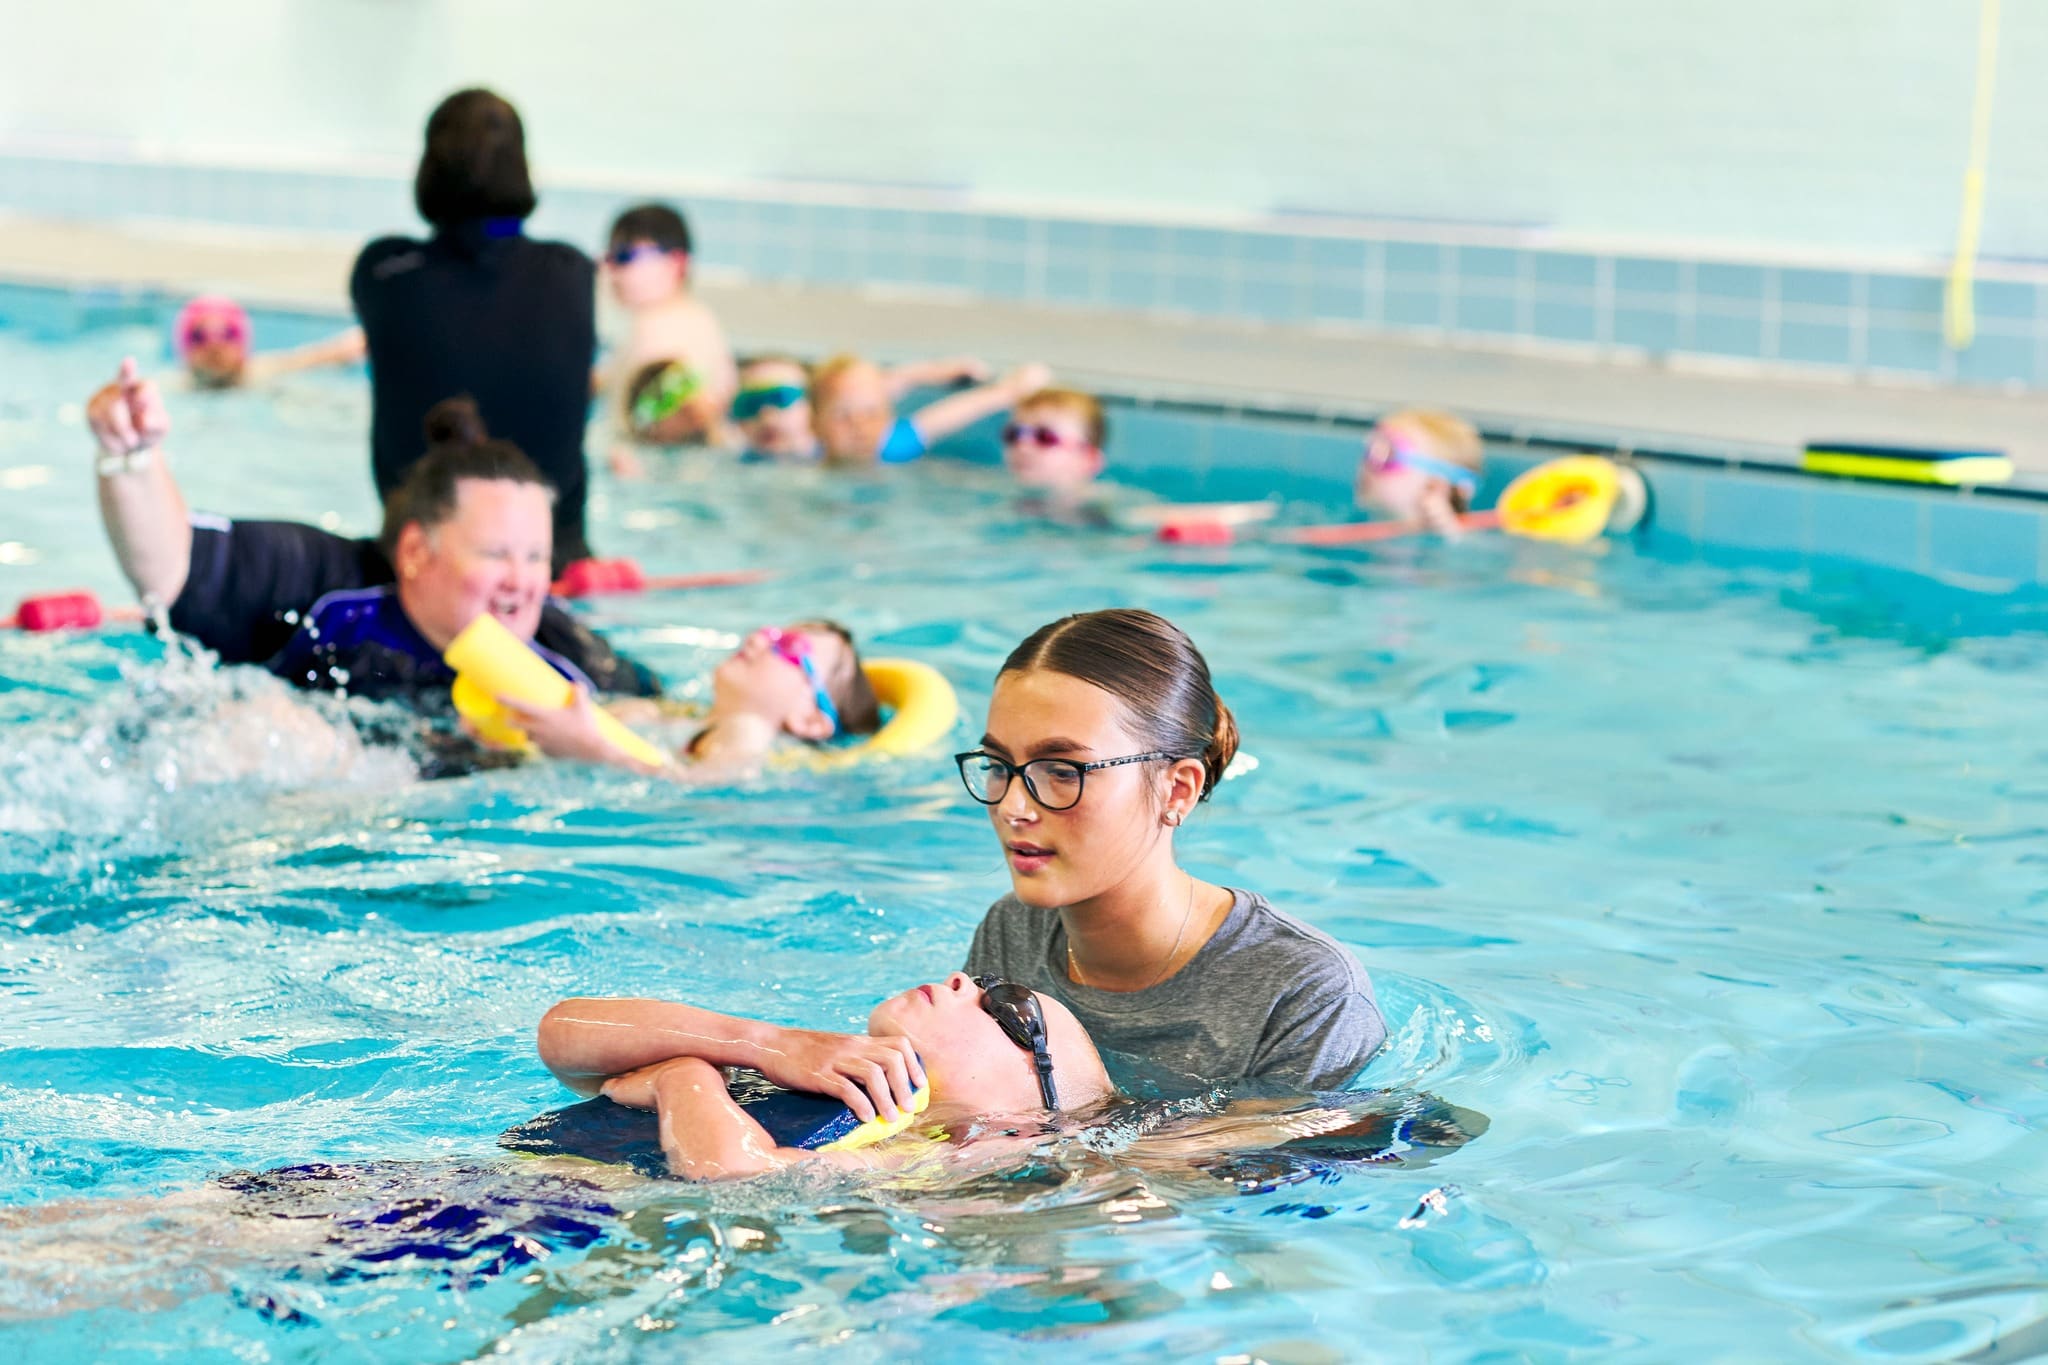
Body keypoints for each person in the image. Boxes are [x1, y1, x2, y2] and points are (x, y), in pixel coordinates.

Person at [958, 608, 1386, 1093]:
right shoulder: (1013, 935)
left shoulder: (1302, 995)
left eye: (1061, 771)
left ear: (1177, 791)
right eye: (997, 764)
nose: (1014, 807)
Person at [86, 360, 658, 700]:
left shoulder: (564, 659)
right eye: (496, 553)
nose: (522, 581)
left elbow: (675, 737)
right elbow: (169, 571)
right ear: (414, 550)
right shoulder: (323, 585)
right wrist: (130, 457)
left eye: (535, 556)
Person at [535, 972, 1115, 1180]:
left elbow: (731, 1175)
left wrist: (682, 1078)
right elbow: (562, 1036)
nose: (966, 980)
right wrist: (762, 1042)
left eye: (1010, 1007)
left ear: (1023, 1121)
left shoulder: (922, 1160)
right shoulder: (800, 1069)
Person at [352, 88, 599, 568]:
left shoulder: (383, 270)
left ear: (429, 170)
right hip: (552, 565)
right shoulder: (572, 272)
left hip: (424, 563)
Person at [506, 620, 883, 778]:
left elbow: (703, 790)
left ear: (809, 719)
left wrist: (594, 750)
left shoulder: (748, 733)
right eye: (771, 632)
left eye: (788, 647)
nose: (757, 639)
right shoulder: (686, 717)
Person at [597, 203, 737, 436]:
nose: (610, 268)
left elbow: (692, 423)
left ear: (677, 263)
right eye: (609, 256)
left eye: (625, 256)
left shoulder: (667, 332)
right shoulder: (687, 320)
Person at [732, 353, 992, 462]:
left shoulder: (886, 447)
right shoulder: (747, 452)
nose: (766, 414)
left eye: (781, 399)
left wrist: (1007, 391)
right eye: (750, 405)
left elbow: (937, 421)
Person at [811, 354, 1051, 465]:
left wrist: (1010, 390)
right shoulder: (805, 451)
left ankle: (910, 373)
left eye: (871, 414)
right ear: (816, 423)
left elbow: (953, 413)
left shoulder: (895, 445)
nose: (859, 427)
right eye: (842, 416)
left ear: (889, 416)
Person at [172, 295, 366, 391]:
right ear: (185, 346)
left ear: (242, 342)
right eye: (200, 336)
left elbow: (324, 355)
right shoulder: (173, 386)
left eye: (227, 334)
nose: (214, 346)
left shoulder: (262, 372)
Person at [1356, 409, 1484, 534]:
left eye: (1388, 453)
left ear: (1434, 485)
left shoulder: (1453, 545)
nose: (1368, 464)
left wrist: (1450, 537)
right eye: (1371, 448)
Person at [1004, 386, 1111, 521]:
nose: (1022, 446)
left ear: (1089, 460)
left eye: (1044, 437)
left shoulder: (1101, 509)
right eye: (1014, 435)